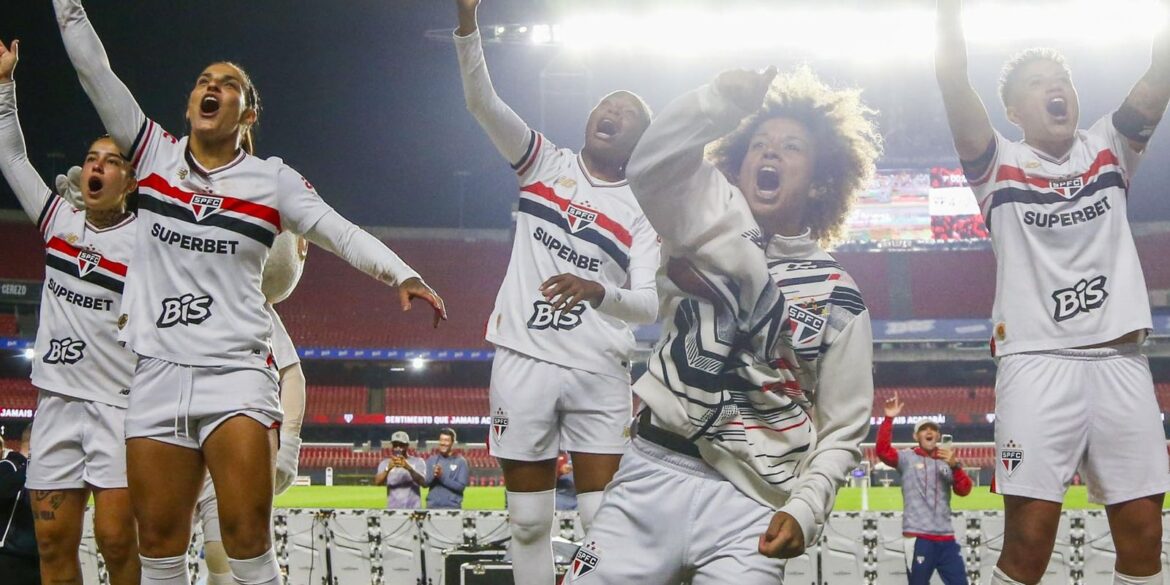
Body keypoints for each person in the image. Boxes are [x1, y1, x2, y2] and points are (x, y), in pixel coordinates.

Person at [52, 3, 447, 585]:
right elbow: (94, 71)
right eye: (203, 81)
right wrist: (67, 8)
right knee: (157, 547)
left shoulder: (272, 180)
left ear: (248, 113)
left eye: (228, 84)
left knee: (246, 544)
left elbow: (338, 230)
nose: (211, 88)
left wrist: (402, 274)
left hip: (236, 375)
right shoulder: (153, 154)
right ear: (190, 104)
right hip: (156, 373)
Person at [567, 66, 879, 584]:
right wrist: (717, 102)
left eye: (792, 147)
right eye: (759, 144)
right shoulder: (703, 216)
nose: (771, 152)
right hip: (650, 474)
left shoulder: (838, 296)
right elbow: (648, 163)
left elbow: (843, 428)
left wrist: (806, 509)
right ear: (740, 163)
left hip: (753, 510)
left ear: (822, 180)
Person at [935, 1, 1170, 583]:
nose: (1055, 88)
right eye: (1038, 83)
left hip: (1121, 360)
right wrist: (946, 12)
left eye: (1062, 79)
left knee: (1145, 536)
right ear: (1014, 111)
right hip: (1037, 363)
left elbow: (1161, 71)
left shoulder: (1110, 146)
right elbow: (952, 77)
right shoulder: (996, 163)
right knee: (1029, 542)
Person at [453, 1, 659, 583]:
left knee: (604, 523)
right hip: (524, 357)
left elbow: (649, 304)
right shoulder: (542, 162)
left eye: (627, 113)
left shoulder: (643, 211)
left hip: (599, 368)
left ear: (640, 140)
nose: (612, 112)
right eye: (607, 104)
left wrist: (598, 291)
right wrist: (467, 25)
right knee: (526, 522)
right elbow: (482, 103)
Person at [0, 38, 140, 585]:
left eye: (112, 161)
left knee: (116, 541)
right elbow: (12, 159)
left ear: (130, 181)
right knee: (53, 544)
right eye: (91, 159)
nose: (96, 167)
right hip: (55, 403)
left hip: (119, 408)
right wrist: (5, 85)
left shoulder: (148, 242)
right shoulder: (59, 222)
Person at [194, 230, 308, 585]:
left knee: (226, 551)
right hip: (168, 431)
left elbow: (292, 374)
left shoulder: (251, 305)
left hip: (230, 438)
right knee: (155, 544)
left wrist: (288, 445)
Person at [876, 394, 972, 585]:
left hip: (946, 538)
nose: (929, 432)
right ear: (916, 436)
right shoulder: (907, 458)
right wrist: (888, 419)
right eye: (923, 429)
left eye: (933, 429)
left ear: (938, 436)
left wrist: (955, 466)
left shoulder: (947, 461)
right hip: (918, 538)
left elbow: (964, 490)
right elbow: (883, 451)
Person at [0, 430, 39, 585]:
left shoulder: (40, 473)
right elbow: (3, 489)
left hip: (36, 557)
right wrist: (32, 465)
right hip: (10, 557)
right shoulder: (8, 465)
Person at [375, 431, 427, 509]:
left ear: (407, 445)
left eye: (401, 445)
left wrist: (409, 468)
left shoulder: (418, 461)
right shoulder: (385, 463)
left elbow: (424, 483)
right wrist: (388, 468)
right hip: (393, 510)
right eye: (395, 445)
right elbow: (377, 482)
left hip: (414, 510)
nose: (398, 448)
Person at [424, 428, 469, 509]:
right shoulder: (431, 460)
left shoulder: (461, 462)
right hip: (432, 506)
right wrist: (433, 475)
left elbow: (460, 487)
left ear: (452, 443)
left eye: (446, 440)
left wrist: (441, 477)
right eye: (441, 440)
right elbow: (425, 484)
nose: (443, 443)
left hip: (452, 508)